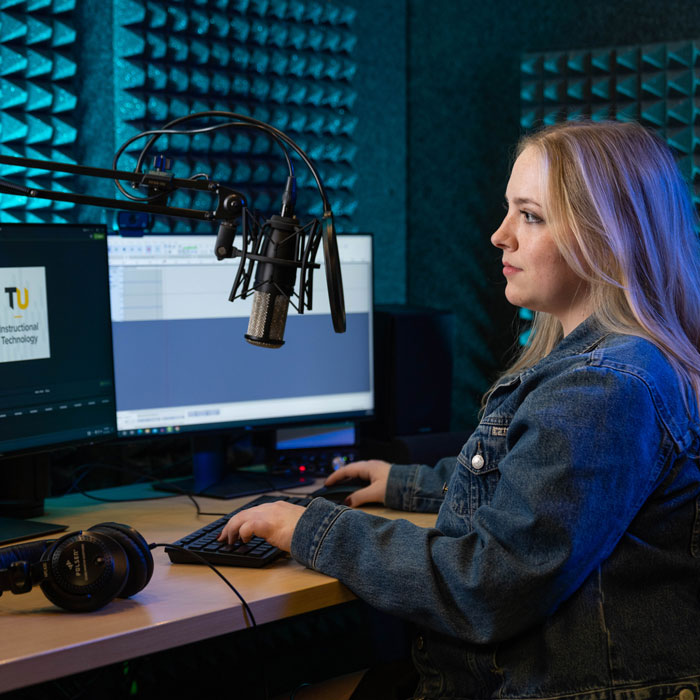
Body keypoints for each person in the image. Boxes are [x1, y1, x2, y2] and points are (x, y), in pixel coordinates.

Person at [220, 120, 700, 700]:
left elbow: (487, 585)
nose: (500, 236)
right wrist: (407, 483)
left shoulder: (602, 389)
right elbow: (529, 482)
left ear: (606, 237)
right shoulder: (615, 365)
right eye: (508, 210)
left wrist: (313, 528)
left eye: (531, 216)